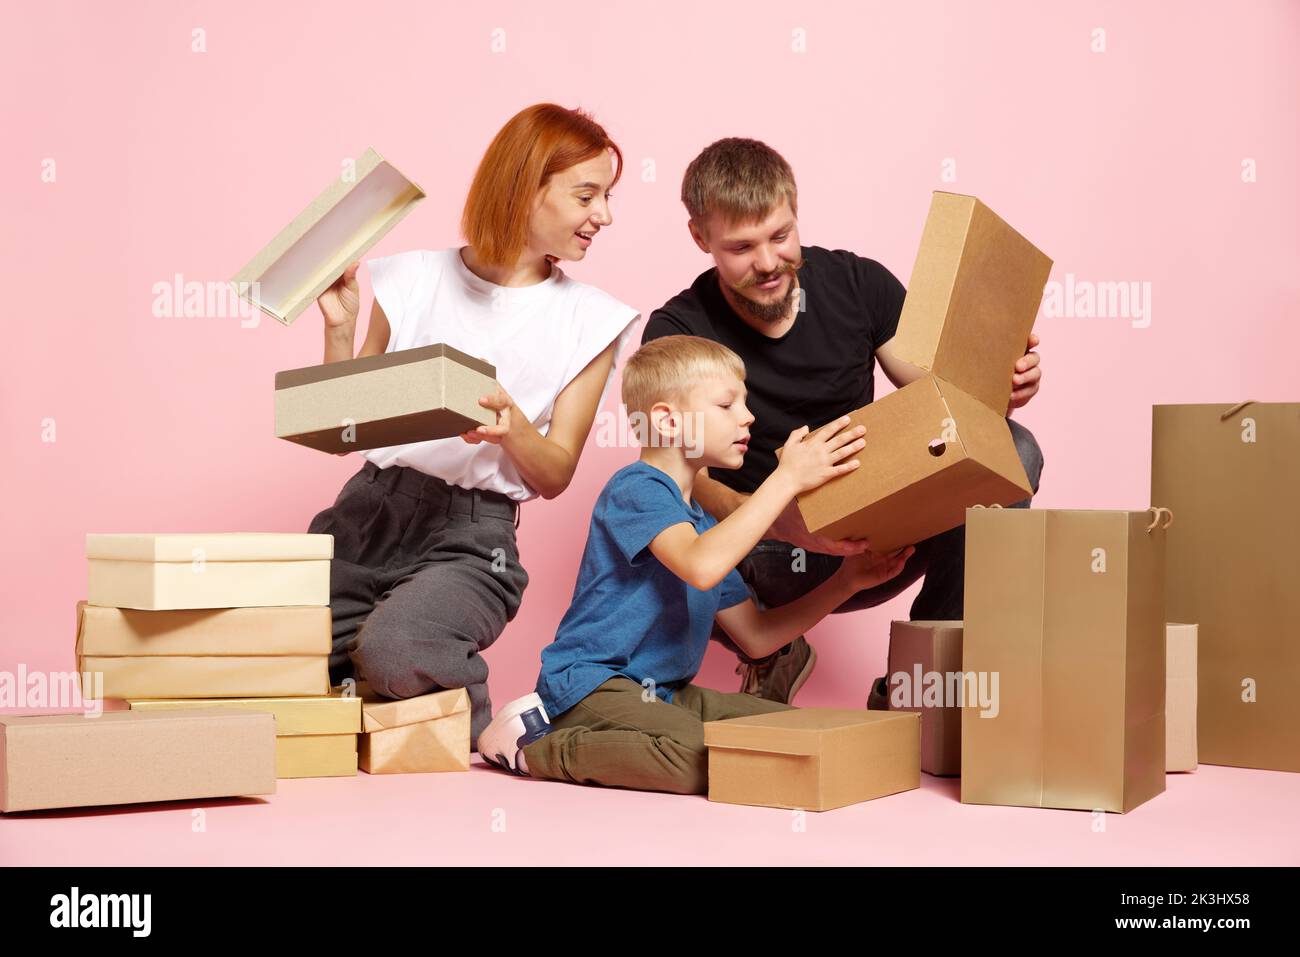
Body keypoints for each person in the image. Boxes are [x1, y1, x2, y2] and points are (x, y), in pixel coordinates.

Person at [642, 137, 1046, 703]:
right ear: (700, 238)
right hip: (764, 552)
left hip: (877, 530)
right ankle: (773, 649)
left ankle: (917, 688)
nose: (766, 263)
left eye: (780, 237)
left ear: (796, 214)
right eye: (741, 246)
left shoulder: (858, 285)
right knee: (666, 533)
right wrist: (780, 520)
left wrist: (999, 388)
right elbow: (679, 481)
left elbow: (947, 403)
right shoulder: (676, 334)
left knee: (1012, 449)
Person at [306, 104, 640, 748]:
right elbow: (341, 425)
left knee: (397, 650)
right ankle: (383, 711)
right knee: (278, 658)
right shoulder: (412, 278)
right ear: (524, 186)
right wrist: (340, 326)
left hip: (470, 539)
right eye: (587, 195)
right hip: (366, 513)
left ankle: (486, 726)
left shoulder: (589, 321)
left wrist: (512, 425)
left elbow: (555, 475)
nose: (605, 215)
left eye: (607, 196)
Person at [477, 336, 911, 793]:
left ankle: (642, 735)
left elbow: (758, 639)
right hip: (591, 687)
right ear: (666, 421)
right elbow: (699, 567)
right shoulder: (636, 489)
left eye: (744, 403)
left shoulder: (704, 527)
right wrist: (786, 479)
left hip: (668, 692)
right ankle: (532, 747)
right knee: (702, 761)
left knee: (798, 735)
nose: (748, 416)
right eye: (727, 404)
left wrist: (847, 581)